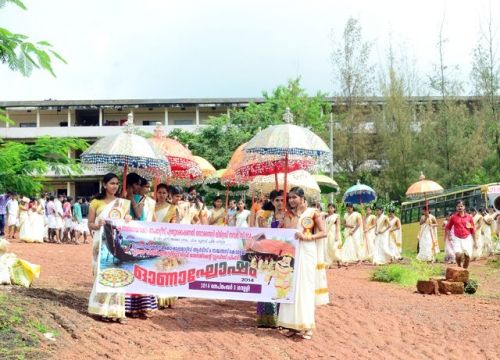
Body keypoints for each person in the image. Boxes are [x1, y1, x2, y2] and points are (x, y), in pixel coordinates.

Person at [278, 187, 326, 340]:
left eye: (294, 197)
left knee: (304, 287)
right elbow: (285, 232)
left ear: (302, 197)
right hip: (292, 251)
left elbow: (323, 232)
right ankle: (292, 325)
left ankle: (306, 326)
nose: (291, 200)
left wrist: (308, 238)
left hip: (307, 251)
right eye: (290, 198)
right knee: (291, 286)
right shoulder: (289, 214)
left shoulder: (313, 212)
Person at [87, 173, 131, 323]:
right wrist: (98, 224)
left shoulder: (122, 204)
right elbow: (90, 224)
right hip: (101, 241)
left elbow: (126, 225)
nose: (115, 186)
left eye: (117, 183)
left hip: (117, 242)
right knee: (103, 272)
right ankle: (100, 309)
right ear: (104, 184)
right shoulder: (95, 203)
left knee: (118, 272)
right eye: (112, 183)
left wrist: (127, 219)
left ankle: (117, 312)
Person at [124, 173, 158, 318]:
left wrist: (131, 198)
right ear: (130, 184)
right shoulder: (121, 198)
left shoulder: (141, 199)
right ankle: (128, 305)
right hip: (126, 238)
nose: (139, 187)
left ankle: (141, 305)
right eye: (136, 184)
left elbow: (138, 214)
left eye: (139, 184)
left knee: (139, 269)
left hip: (139, 237)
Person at [255, 190, 286, 328]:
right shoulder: (266, 215)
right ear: (272, 201)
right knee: (266, 282)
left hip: (283, 254)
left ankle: (280, 318)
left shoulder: (288, 216)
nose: (279, 203)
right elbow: (261, 233)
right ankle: (265, 318)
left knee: (280, 283)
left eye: (282, 200)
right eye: (277, 200)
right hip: (267, 252)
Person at [154, 183, 182, 309]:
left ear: (168, 194)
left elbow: (174, 225)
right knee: (154, 268)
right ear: (156, 193)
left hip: (166, 241)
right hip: (152, 240)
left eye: (164, 193)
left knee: (166, 269)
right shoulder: (151, 206)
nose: (161, 195)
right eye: (159, 192)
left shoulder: (172, 208)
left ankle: (166, 298)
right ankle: (155, 297)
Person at [445, 200, 475, 269]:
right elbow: (448, 227)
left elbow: (472, 229)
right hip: (456, 238)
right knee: (458, 255)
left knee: (467, 256)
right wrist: (449, 235)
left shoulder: (469, 217)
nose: (460, 208)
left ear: (464, 207)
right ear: (456, 207)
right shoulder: (453, 217)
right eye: (458, 206)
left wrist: (475, 240)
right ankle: (459, 266)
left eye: (461, 206)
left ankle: (464, 270)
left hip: (467, 238)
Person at [325, 203, 344, 268]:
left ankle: (339, 260)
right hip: (327, 234)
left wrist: (337, 235)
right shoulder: (326, 216)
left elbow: (338, 226)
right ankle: (329, 263)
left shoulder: (336, 216)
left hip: (333, 233)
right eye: (329, 208)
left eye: (332, 208)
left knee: (334, 247)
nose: (330, 209)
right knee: (328, 248)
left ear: (334, 209)